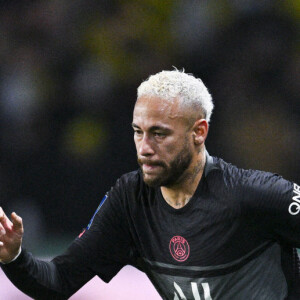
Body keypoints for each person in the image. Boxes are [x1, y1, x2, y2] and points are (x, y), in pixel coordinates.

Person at [0, 69, 299, 300]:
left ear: (199, 132)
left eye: (159, 133)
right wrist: (14, 256)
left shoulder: (253, 194)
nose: (144, 147)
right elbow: (58, 281)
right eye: (138, 132)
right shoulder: (130, 202)